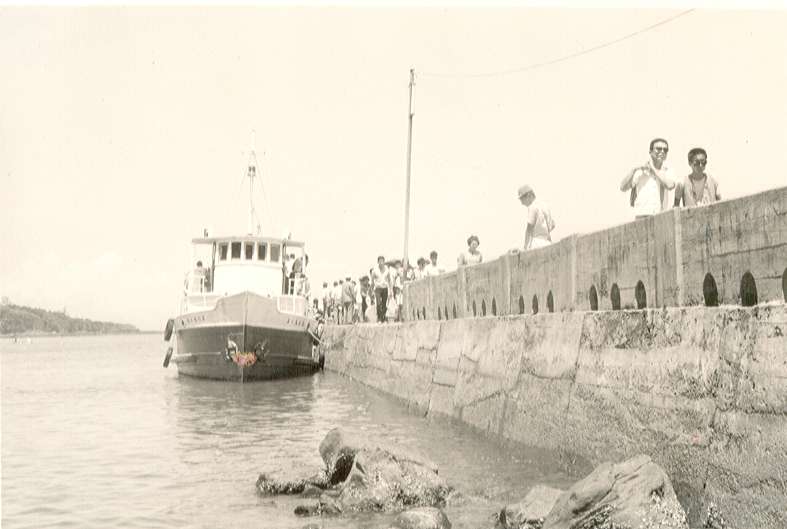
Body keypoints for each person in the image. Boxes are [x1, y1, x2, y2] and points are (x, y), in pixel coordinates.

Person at [620, 138, 676, 218]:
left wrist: (653, 169)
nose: (662, 151)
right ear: (650, 151)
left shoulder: (668, 170)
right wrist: (634, 170)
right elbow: (623, 187)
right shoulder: (640, 170)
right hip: (641, 215)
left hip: (660, 215)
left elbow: (669, 185)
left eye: (665, 150)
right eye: (658, 149)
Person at [518, 185, 555, 250]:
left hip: (537, 243)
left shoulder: (532, 207)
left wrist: (525, 247)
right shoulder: (544, 205)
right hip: (548, 242)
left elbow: (529, 229)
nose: (522, 203)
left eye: (522, 199)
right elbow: (552, 225)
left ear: (528, 195)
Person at [372, 255, 392, 323]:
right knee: (378, 303)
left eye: (382, 261)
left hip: (385, 288)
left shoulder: (387, 270)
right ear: (378, 262)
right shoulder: (375, 270)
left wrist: (391, 290)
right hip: (378, 288)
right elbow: (372, 281)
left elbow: (389, 280)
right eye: (380, 261)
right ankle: (379, 318)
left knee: (384, 304)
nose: (381, 263)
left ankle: (383, 317)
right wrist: (372, 291)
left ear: (384, 262)